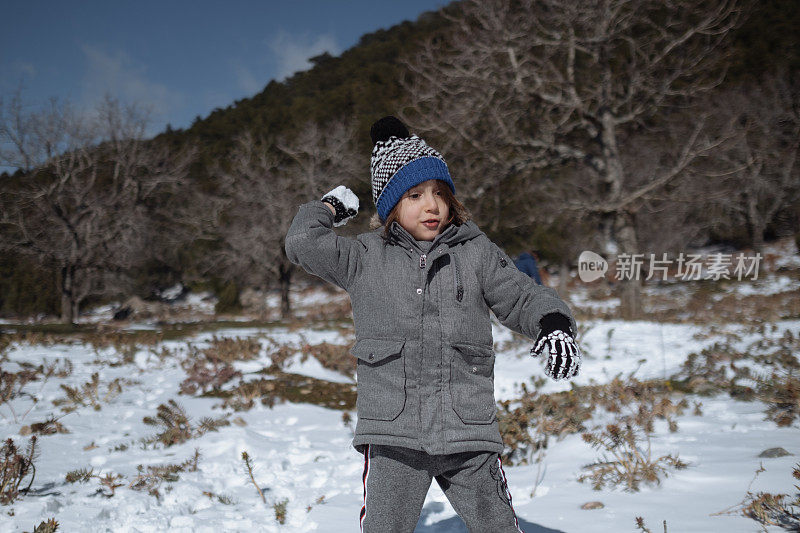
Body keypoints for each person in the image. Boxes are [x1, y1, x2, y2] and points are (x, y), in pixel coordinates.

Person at [285, 116, 581, 533]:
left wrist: (552, 322)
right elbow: (302, 243)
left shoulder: (475, 252)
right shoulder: (364, 257)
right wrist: (329, 208)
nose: (432, 205)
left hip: (467, 431)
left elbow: (521, 294)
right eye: (415, 194)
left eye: (441, 193)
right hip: (394, 435)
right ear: (390, 204)